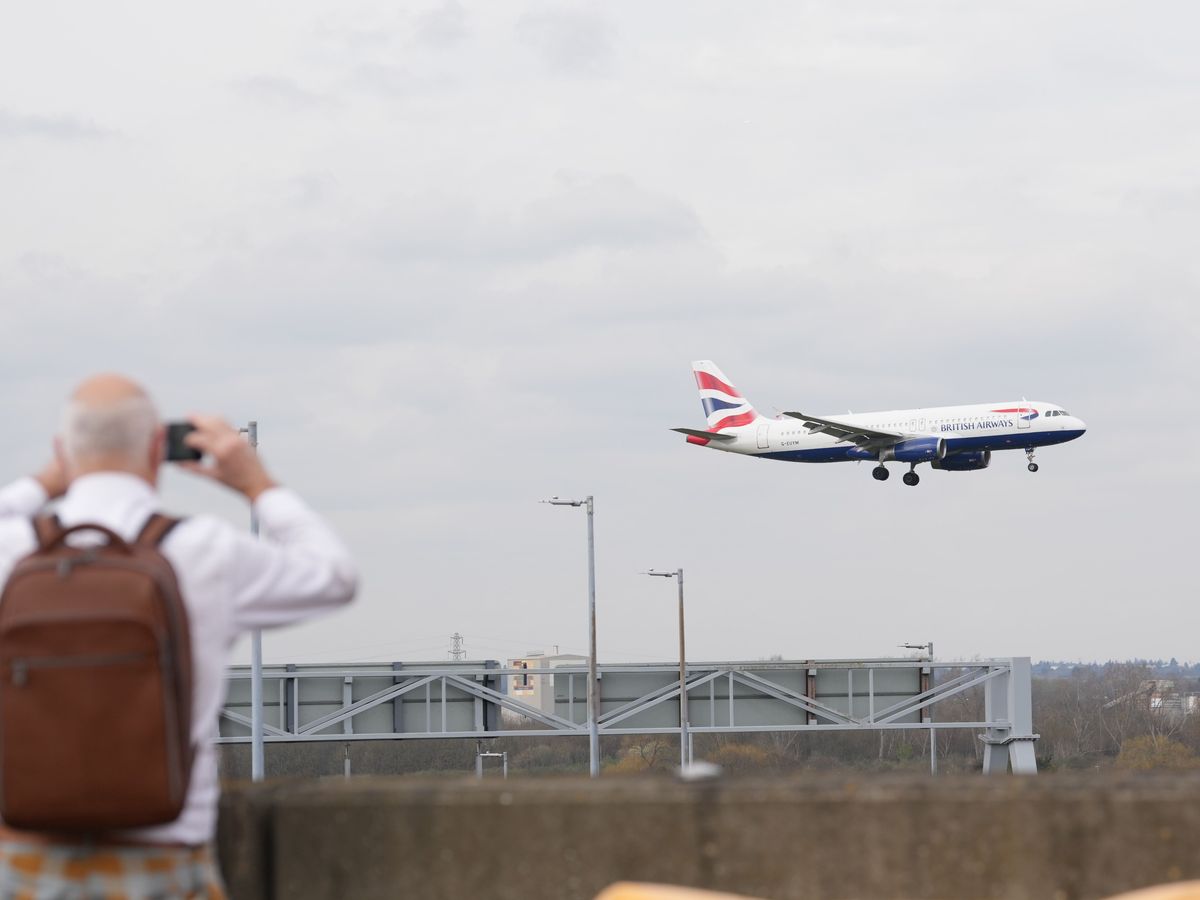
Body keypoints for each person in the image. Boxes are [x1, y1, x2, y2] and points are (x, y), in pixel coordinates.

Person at [0, 374, 358, 898]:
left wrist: (43, 483)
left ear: (63, 452)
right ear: (155, 449)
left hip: (25, 855)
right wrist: (257, 484)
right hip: (163, 855)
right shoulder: (203, 548)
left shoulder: (14, 547)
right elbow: (334, 575)